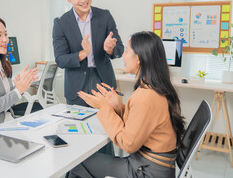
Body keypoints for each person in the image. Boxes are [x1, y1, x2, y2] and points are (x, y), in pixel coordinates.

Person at [69, 31, 185, 178]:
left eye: (126, 51)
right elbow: (140, 123)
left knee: (78, 163)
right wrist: (118, 107)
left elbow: (128, 143)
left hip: (147, 171)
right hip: (155, 165)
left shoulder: (145, 96)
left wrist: (104, 107)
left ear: (139, 59)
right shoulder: (155, 88)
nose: (123, 56)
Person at [52, 0, 124, 106]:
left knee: (108, 125)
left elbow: (120, 48)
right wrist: (83, 53)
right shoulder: (61, 23)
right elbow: (60, 59)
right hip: (77, 87)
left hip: (104, 82)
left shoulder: (105, 16)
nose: (83, 0)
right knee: (78, 126)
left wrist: (110, 49)